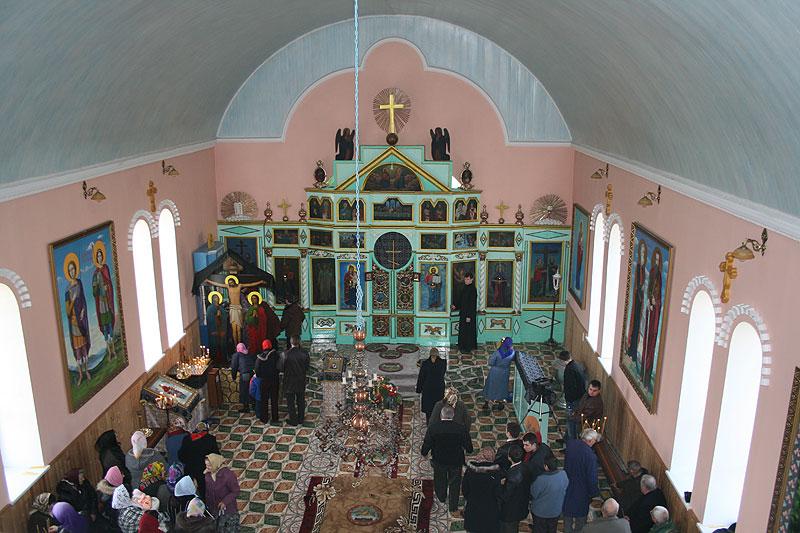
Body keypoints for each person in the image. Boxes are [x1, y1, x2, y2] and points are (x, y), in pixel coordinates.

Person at [421, 405, 473, 513]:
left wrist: (424, 452)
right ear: (453, 415)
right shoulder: (461, 428)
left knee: (440, 479)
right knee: (455, 483)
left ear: (441, 415)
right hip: (456, 460)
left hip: (439, 460)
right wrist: (468, 450)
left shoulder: (434, 428)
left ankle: (441, 497)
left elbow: (427, 443)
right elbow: (469, 447)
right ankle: (453, 506)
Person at [563, 428, 600, 533]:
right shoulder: (590, 456)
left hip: (567, 484)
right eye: (594, 440)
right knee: (581, 520)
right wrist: (594, 493)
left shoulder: (571, 444)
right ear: (590, 440)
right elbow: (592, 477)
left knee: (567, 515)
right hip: (582, 491)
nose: (595, 443)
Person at [63, 253, 92, 386]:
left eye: (73, 269)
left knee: (84, 347)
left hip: (81, 321)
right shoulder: (67, 291)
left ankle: (87, 371)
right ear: (68, 273)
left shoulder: (79, 283)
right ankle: (80, 374)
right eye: (70, 270)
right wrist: (73, 299)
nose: (72, 272)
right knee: (78, 350)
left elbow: (84, 301)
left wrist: (83, 311)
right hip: (74, 323)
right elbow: (68, 311)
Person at [462, 447, 501, 533]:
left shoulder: (471, 469)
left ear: (481, 456)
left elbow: (465, 489)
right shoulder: (496, 471)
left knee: (473, 526)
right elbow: (498, 492)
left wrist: (469, 497)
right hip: (490, 507)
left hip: (473, 504)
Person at [178, 422, 220, 499]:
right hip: (204, 470)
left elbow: (181, 456)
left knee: (190, 491)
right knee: (204, 490)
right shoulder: (210, 439)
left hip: (190, 469)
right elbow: (216, 456)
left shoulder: (186, 439)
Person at [529, 455, 569, 533]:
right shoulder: (563, 474)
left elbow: (533, 494)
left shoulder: (540, 479)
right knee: (552, 529)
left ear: (546, 466)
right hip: (555, 511)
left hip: (540, 512)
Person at [91, 241, 116, 360]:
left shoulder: (106, 268)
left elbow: (110, 283)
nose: (100, 258)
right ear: (96, 258)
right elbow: (94, 292)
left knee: (110, 325)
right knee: (105, 327)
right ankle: (109, 351)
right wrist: (96, 287)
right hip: (101, 304)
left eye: (101, 255)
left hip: (108, 302)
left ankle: (113, 350)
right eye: (98, 256)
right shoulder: (95, 274)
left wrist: (107, 288)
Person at [204, 454, 241, 531]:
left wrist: (225, 501)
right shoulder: (207, 475)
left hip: (228, 509)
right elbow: (208, 492)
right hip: (214, 509)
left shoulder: (228, 475)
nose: (207, 468)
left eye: (209, 465)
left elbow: (236, 491)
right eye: (206, 465)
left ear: (216, 464)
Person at [498, 446, 531, 533]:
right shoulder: (526, 466)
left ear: (509, 457)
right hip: (521, 505)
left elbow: (505, 496)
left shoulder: (512, 476)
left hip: (510, 513)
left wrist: (500, 485)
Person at [559, 350, 587, 441]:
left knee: (571, 422)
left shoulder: (569, 370)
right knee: (571, 421)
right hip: (579, 398)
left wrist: (569, 401)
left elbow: (571, 387)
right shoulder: (576, 365)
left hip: (573, 400)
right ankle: (566, 438)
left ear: (562, 361)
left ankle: (571, 443)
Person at [483, 337, 516, 410]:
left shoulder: (497, 353)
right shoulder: (512, 353)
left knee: (490, 386)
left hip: (495, 371)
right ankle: (500, 403)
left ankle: (486, 403)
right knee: (502, 387)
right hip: (505, 372)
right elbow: (514, 358)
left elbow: (491, 362)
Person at [283, 335, 310, 425]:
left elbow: (280, 367)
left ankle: (293, 420)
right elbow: (307, 367)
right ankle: (301, 419)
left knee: (290, 402)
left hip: (289, 381)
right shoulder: (305, 353)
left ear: (290, 342)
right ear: (299, 342)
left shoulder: (285, 354)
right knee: (301, 400)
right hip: (300, 380)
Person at [416, 348, 447, 423]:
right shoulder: (443, 363)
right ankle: (437, 422)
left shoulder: (425, 364)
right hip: (439, 387)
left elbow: (421, 377)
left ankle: (429, 423)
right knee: (438, 406)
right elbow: (443, 373)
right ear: (438, 354)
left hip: (428, 388)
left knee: (428, 409)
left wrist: (419, 389)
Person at [255, 339, 282, 424]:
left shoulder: (259, 357)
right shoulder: (276, 355)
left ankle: (264, 418)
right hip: (274, 380)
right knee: (274, 399)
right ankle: (275, 418)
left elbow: (257, 370)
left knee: (264, 400)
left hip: (264, 381)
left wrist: (260, 376)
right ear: (270, 345)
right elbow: (280, 367)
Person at [452, 272, 477, 354]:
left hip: (469, 314)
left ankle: (467, 347)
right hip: (463, 313)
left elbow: (472, 304)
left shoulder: (473, 290)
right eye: (465, 279)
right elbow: (461, 300)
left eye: (468, 279)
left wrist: (469, 316)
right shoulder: (464, 288)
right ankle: (461, 345)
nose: (466, 280)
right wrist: (455, 306)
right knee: (463, 330)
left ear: (472, 279)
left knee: (468, 331)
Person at [230, 342, 255, 413]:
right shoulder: (248, 353)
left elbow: (234, 367)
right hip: (252, 373)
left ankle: (246, 408)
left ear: (237, 348)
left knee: (244, 391)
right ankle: (254, 406)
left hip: (245, 374)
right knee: (251, 389)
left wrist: (233, 376)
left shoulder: (236, 355)